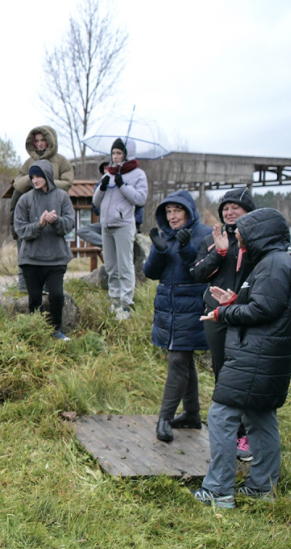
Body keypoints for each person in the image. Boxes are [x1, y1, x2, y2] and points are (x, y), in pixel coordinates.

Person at [194, 208, 291, 508]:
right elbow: (273, 305)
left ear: (260, 235)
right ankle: (262, 488)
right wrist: (235, 300)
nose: (239, 241)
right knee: (260, 418)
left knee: (221, 416)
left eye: (242, 235)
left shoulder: (273, 265)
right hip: (268, 357)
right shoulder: (278, 262)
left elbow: (263, 310)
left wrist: (224, 312)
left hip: (255, 357)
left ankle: (219, 490)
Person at [190, 187, 256, 460]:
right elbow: (198, 274)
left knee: (246, 373)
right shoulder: (212, 238)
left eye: (235, 208)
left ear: (248, 211)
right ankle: (231, 430)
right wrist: (219, 252)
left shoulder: (256, 240)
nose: (229, 212)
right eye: (225, 208)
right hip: (216, 314)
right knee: (223, 373)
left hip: (247, 313)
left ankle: (248, 432)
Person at [143, 191, 212, 443]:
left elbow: (202, 271)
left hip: (192, 306)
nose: (172, 217)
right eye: (168, 211)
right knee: (184, 359)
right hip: (168, 307)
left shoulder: (205, 234)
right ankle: (192, 414)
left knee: (177, 360)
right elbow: (150, 273)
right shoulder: (166, 235)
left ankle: (164, 418)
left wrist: (186, 248)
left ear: (188, 211)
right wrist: (159, 251)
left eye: (177, 211)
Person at [13, 160, 76, 340]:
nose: (35, 180)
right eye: (32, 177)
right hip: (31, 260)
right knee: (34, 299)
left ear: (47, 176)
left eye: (38, 176)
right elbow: (20, 229)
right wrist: (39, 225)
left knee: (56, 295)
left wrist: (56, 221)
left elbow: (69, 225)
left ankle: (56, 330)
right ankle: (35, 332)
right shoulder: (25, 199)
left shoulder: (62, 197)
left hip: (56, 259)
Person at [10, 126, 74, 291]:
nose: (39, 144)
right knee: (25, 255)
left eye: (43, 140)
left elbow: (67, 183)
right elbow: (17, 183)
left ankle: (51, 290)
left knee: (52, 264)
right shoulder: (28, 162)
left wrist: (47, 182)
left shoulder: (61, 161)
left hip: (53, 212)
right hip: (30, 213)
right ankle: (24, 291)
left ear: (50, 141)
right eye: (36, 140)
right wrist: (33, 180)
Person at [92, 138, 148, 320]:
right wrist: (102, 187)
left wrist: (122, 185)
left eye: (119, 153)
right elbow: (95, 202)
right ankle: (114, 301)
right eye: (113, 153)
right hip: (106, 225)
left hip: (123, 225)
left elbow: (140, 199)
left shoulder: (138, 174)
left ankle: (126, 304)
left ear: (126, 154)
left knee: (125, 265)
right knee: (110, 266)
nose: (115, 156)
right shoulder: (108, 174)